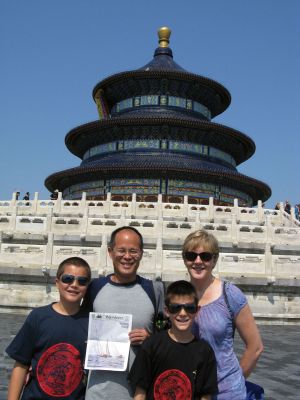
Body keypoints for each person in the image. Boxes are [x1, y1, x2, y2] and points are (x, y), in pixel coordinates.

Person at [83, 226, 164, 400]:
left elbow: (166, 335)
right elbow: (79, 328)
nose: (127, 257)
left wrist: (151, 339)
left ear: (141, 253)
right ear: (110, 252)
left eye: (133, 251)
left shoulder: (154, 290)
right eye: (121, 250)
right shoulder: (95, 288)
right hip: (98, 392)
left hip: (140, 393)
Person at [182, 230, 263, 400]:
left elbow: (255, 347)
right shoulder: (178, 295)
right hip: (188, 390)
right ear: (185, 259)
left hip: (226, 392)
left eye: (205, 256)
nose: (198, 261)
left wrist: (235, 381)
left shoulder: (229, 294)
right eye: (191, 255)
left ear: (214, 260)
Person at [6, 257, 91, 400]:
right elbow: (21, 365)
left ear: (87, 287)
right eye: (68, 279)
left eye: (81, 281)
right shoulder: (38, 317)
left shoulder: (92, 322)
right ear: (57, 283)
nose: (74, 285)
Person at [128, 280, 217, 400]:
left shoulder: (205, 352)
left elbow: (205, 396)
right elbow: (140, 393)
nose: (182, 313)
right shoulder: (151, 345)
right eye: (175, 308)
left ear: (197, 310)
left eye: (189, 308)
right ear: (166, 311)